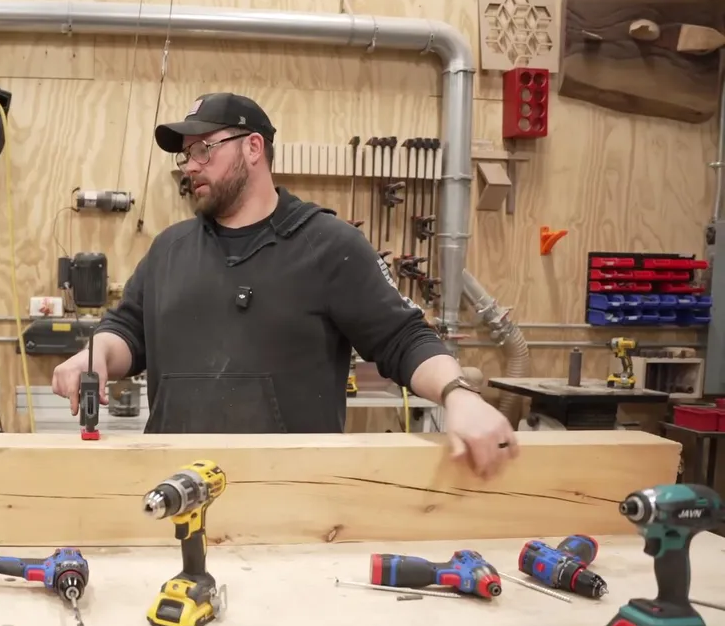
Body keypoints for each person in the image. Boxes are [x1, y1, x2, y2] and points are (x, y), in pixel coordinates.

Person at [51, 92, 519, 477]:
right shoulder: (169, 249)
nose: (190, 166)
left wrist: (458, 395)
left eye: (204, 149)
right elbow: (128, 332)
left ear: (253, 148)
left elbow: (405, 338)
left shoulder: (329, 245)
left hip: (291, 493)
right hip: (176, 485)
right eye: (186, 154)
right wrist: (94, 355)